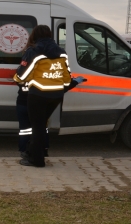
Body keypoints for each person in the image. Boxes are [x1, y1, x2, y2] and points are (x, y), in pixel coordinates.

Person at [13, 25, 81, 167]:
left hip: (38, 94)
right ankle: (35, 154)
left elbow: (22, 76)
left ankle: (37, 161)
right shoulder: (61, 53)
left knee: (37, 127)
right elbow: (67, 77)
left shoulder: (34, 52)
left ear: (35, 36)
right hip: (56, 95)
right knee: (41, 125)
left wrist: (17, 78)